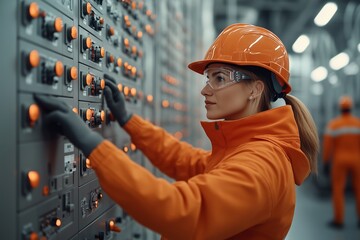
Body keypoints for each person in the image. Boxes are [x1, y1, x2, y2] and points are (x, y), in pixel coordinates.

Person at [34, 23, 319, 240]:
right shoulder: (246, 147)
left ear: (255, 89)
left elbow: (182, 210)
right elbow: (185, 159)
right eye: (208, 78)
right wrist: (129, 121)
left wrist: (91, 144)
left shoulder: (262, 164)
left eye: (219, 78)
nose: (205, 89)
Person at [323, 96, 360, 229]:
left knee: (338, 189)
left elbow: (327, 146)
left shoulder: (334, 124)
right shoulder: (358, 124)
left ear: (340, 108)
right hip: (357, 160)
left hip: (340, 160)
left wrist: (326, 162)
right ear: (351, 108)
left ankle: (339, 220)